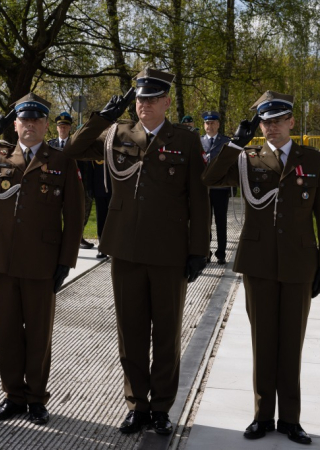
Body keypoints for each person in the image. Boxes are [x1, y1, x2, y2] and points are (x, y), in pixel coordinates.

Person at [64, 68, 210, 435]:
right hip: (125, 248)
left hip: (169, 250)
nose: (144, 105)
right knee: (130, 332)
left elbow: (199, 198)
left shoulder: (186, 140)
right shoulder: (118, 133)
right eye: (140, 99)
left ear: (166, 102)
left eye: (151, 99)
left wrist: (199, 250)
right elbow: (74, 150)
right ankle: (136, 405)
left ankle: (161, 408)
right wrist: (103, 118)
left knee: (165, 333)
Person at [202, 91, 320, 445]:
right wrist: (233, 143)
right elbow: (210, 178)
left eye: (278, 120)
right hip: (258, 263)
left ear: (291, 121)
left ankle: (290, 419)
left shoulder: (314, 159)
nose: (272, 127)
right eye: (266, 121)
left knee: (292, 342)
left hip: (299, 262)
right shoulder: (248, 158)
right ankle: (263, 416)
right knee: (263, 341)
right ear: (259, 125)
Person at [0, 93, 84, 425]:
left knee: (38, 331)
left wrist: (66, 261)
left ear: (46, 124)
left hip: (42, 258)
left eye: (37, 120)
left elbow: (75, 216)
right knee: (6, 330)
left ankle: (36, 397)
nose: (30, 125)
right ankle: (12, 395)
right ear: (15, 124)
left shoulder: (61, 161)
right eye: (24, 120)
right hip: (2, 256)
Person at [48, 112, 93, 250]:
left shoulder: (76, 144)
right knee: (54, 215)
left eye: (66, 126)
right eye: (60, 126)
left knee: (75, 214)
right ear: (57, 128)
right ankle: (54, 239)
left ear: (69, 128)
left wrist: (84, 187)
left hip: (73, 186)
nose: (63, 129)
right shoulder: (50, 145)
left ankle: (77, 238)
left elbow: (84, 167)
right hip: (55, 186)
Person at [201, 111, 232, 264]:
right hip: (204, 189)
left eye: (213, 123)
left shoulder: (226, 142)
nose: (210, 126)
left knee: (221, 221)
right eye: (207, 123)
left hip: (221, 188)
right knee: (205, 222)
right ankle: (205, 252)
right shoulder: (199, 142)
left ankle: (221, 253)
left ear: (218, 124)